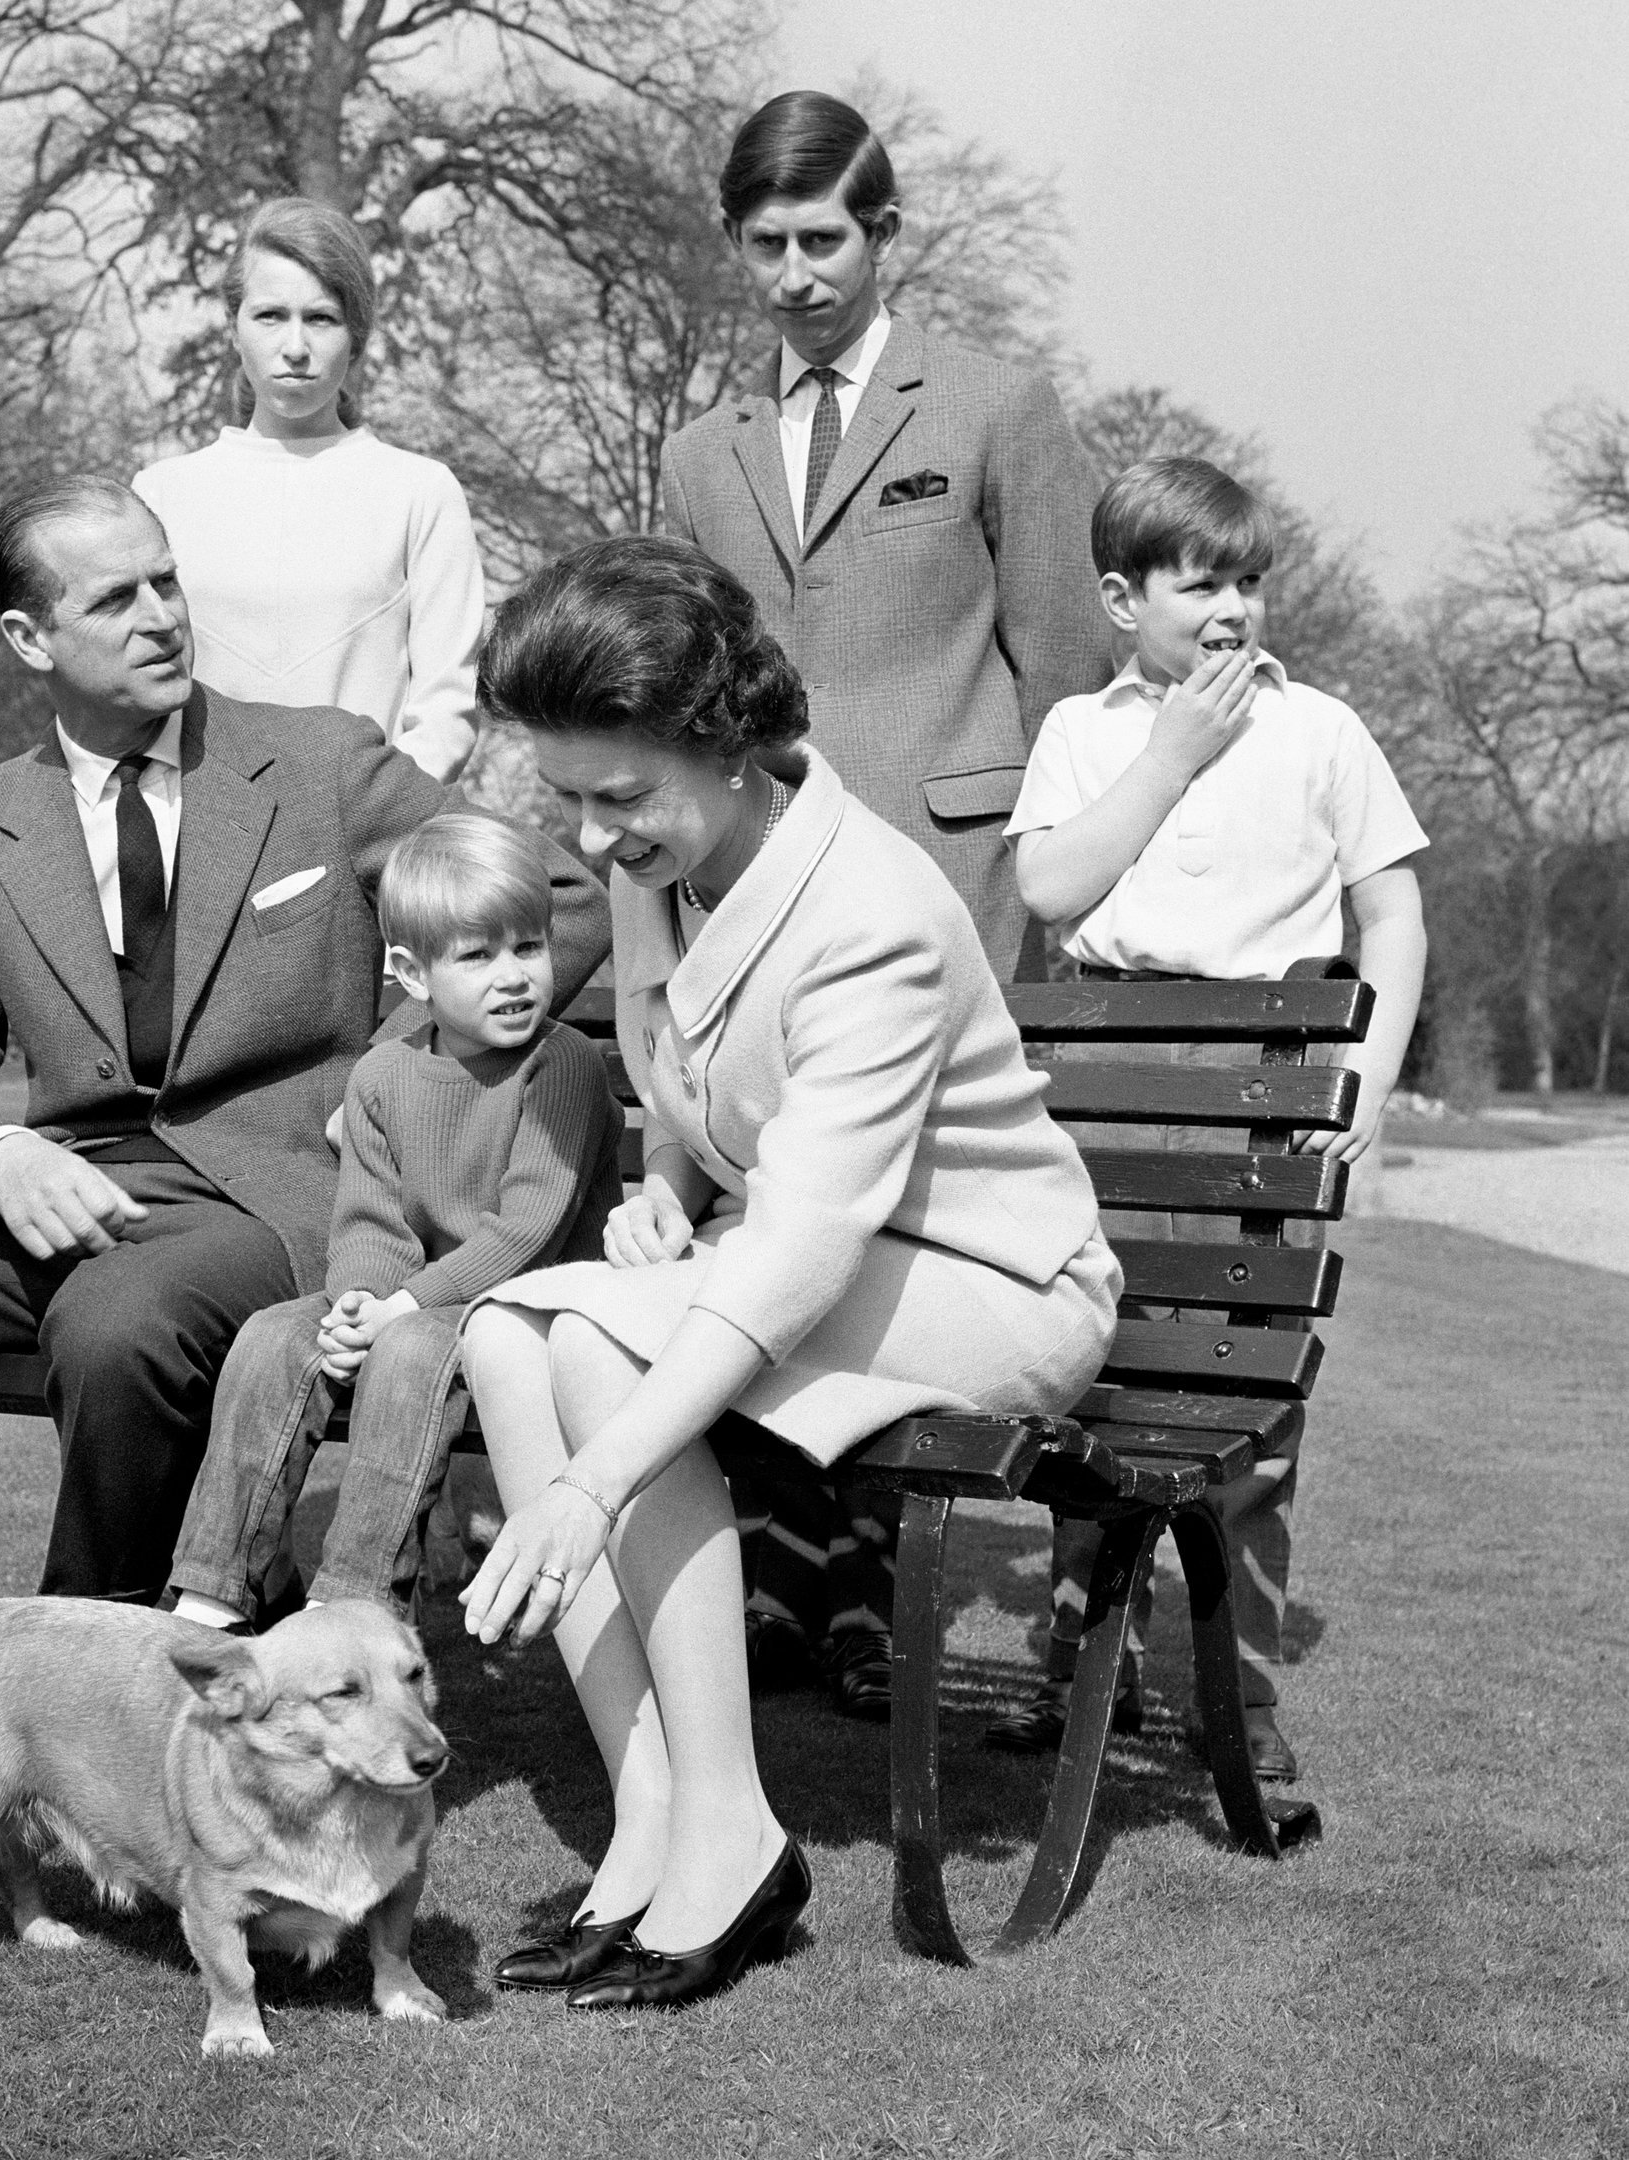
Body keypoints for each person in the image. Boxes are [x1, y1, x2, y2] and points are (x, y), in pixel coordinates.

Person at [0, 475, 606, 1835]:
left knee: (121, 1320)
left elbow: (556, 902)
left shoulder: (320, 765)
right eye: (115, 598)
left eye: (166, 581)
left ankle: (82, 1686)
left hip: (264, 1204)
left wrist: (402, 1062)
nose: (163, 615)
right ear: (27, 638)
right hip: (61, 1194)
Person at [454, 535, 1118, 2011]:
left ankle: (732, 1838)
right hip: (813, 1251)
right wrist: (658, 1192)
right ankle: (659, 1819)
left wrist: (584, 1485)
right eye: (560, 795)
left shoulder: (868, 915)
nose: (586, 835)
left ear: (734, 746)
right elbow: (703, 1081)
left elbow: (810, 1239)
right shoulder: (667, 856)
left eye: (616, 797)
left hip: (989, 1282)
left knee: (597, 1365)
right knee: (511, 1334)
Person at [658, 90, 1113, 1710]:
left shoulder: (996, 406)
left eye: (824, 239)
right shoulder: (701, 449)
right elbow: (689, 669)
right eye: (766, 245)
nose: (795, 274)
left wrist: (1031, 854)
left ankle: (859, 1591)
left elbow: (1065, 660)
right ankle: (787, 1580)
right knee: (768, 1191)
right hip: (757, 884)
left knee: (898, 1208)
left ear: (885, 231)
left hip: (950, 877)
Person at [990, 454, 1429, 1781]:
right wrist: (1170, 754)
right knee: (1087, 1367)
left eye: (1247, 579)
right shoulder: (1085, 730)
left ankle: (1228, 1681)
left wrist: (1363, 1082)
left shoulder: (1322, 730)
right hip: (1103, 1075)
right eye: (1199, 583)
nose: (1231, 606)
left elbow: (1391, 914)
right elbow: (1052, 886)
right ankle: (1083, 1663)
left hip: (1267, 1080)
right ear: (1122, 599)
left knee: (1240, 1393)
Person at [167, 814, 622, 1629]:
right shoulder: (383, 1073)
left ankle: (359, 1603)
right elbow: (371, 1221)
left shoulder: (563, 1068)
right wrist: (355, 1304)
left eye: (529, 946)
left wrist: (399, 1311)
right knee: (275, 1334)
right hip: (414, 1297)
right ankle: (212, 1590)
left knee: (411, 1348)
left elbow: (526, 1231)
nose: (513, 976)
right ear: (412, 974)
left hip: (532, 1305)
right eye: (477, 956)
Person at [132, 196, 484, 783]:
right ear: (234, 328)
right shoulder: (161, 494)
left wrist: (365, 815)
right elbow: (135, 692)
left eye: (321, 318)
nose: (295, 347)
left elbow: (447, 711)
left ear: (357, 337)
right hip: (201, 839)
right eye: (270, 316)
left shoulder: (420, 493)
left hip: (365, 838)